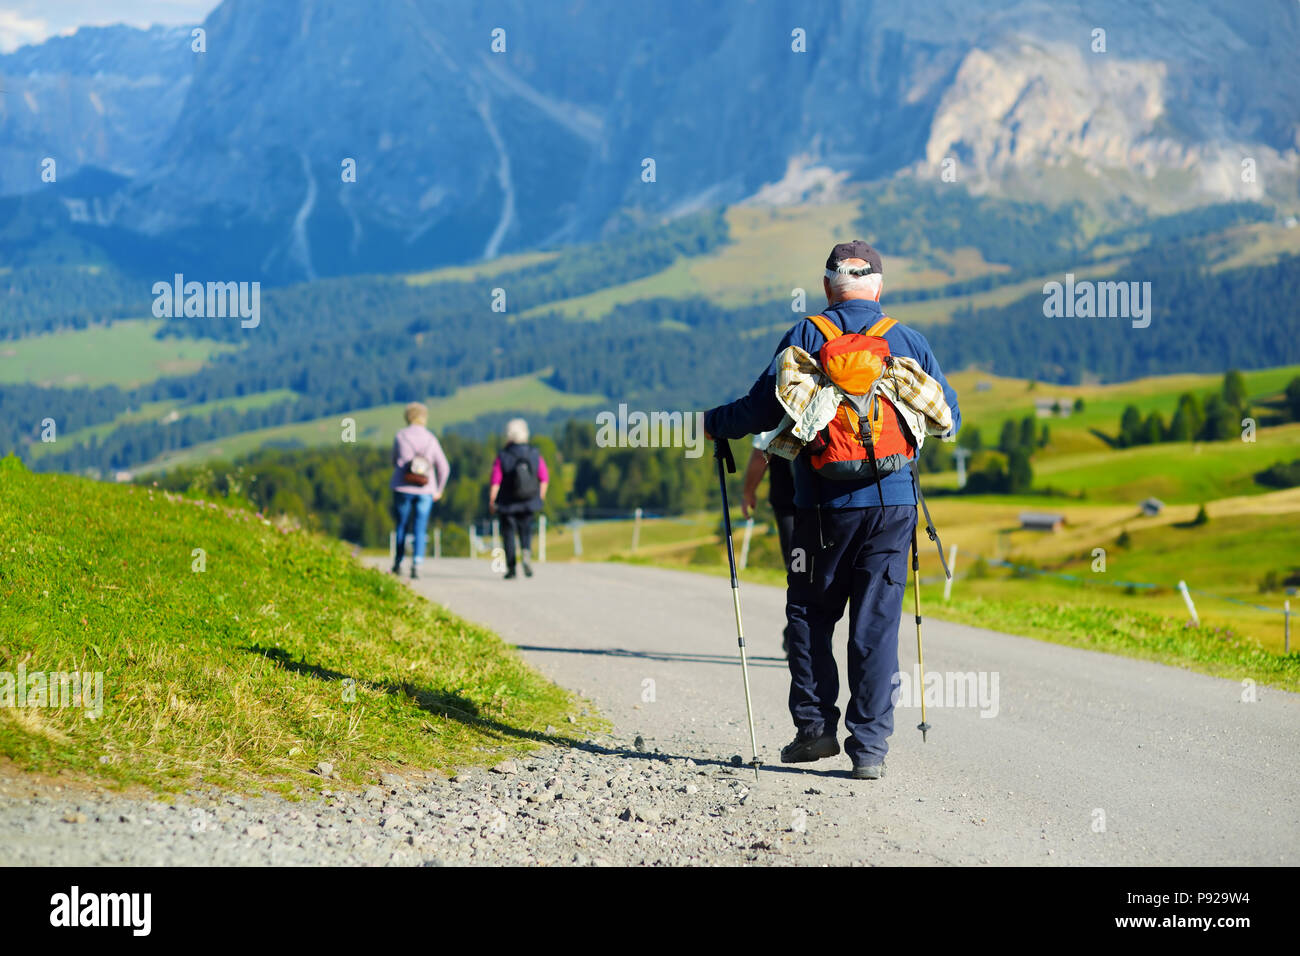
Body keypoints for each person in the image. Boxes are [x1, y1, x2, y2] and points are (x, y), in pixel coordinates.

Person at [704, 240, 961, 780]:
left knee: (810, 614)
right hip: (893, 506)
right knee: (876, 623)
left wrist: (712, 423)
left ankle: (815, 729)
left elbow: (758, 409)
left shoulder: (806, 337)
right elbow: (948, 413)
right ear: (879, 287)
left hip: (821, 509)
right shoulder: (905, 340)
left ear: (826, 288)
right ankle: (869, 750)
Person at [741, 429, 796, 654]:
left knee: (798, 571)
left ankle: (798, 636)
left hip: (790, 504)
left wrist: (748, 493)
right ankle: (800, 636)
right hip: (830, 504)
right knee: (818, 573)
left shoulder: (780, 401)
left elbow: (760, 455)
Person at [390, 402, 450, 580]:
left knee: (401, 525)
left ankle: (399, 561)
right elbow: (444, 467)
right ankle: (417, 562)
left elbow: (394, 461)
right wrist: (438, 489)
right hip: (426, 488)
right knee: (420, 527)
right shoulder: (431, 439)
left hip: (402, 486)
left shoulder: (401, 436)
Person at [488, 418, 549, 580]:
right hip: (529, 500)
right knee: (526, 530)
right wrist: (539, 497)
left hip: (507, 502)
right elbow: (544, 477)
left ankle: (512, 569)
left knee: (508, 534)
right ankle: (526, 553)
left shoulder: (503, 455)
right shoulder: (534, 453)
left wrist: (492, 500)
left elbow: (496, 480)